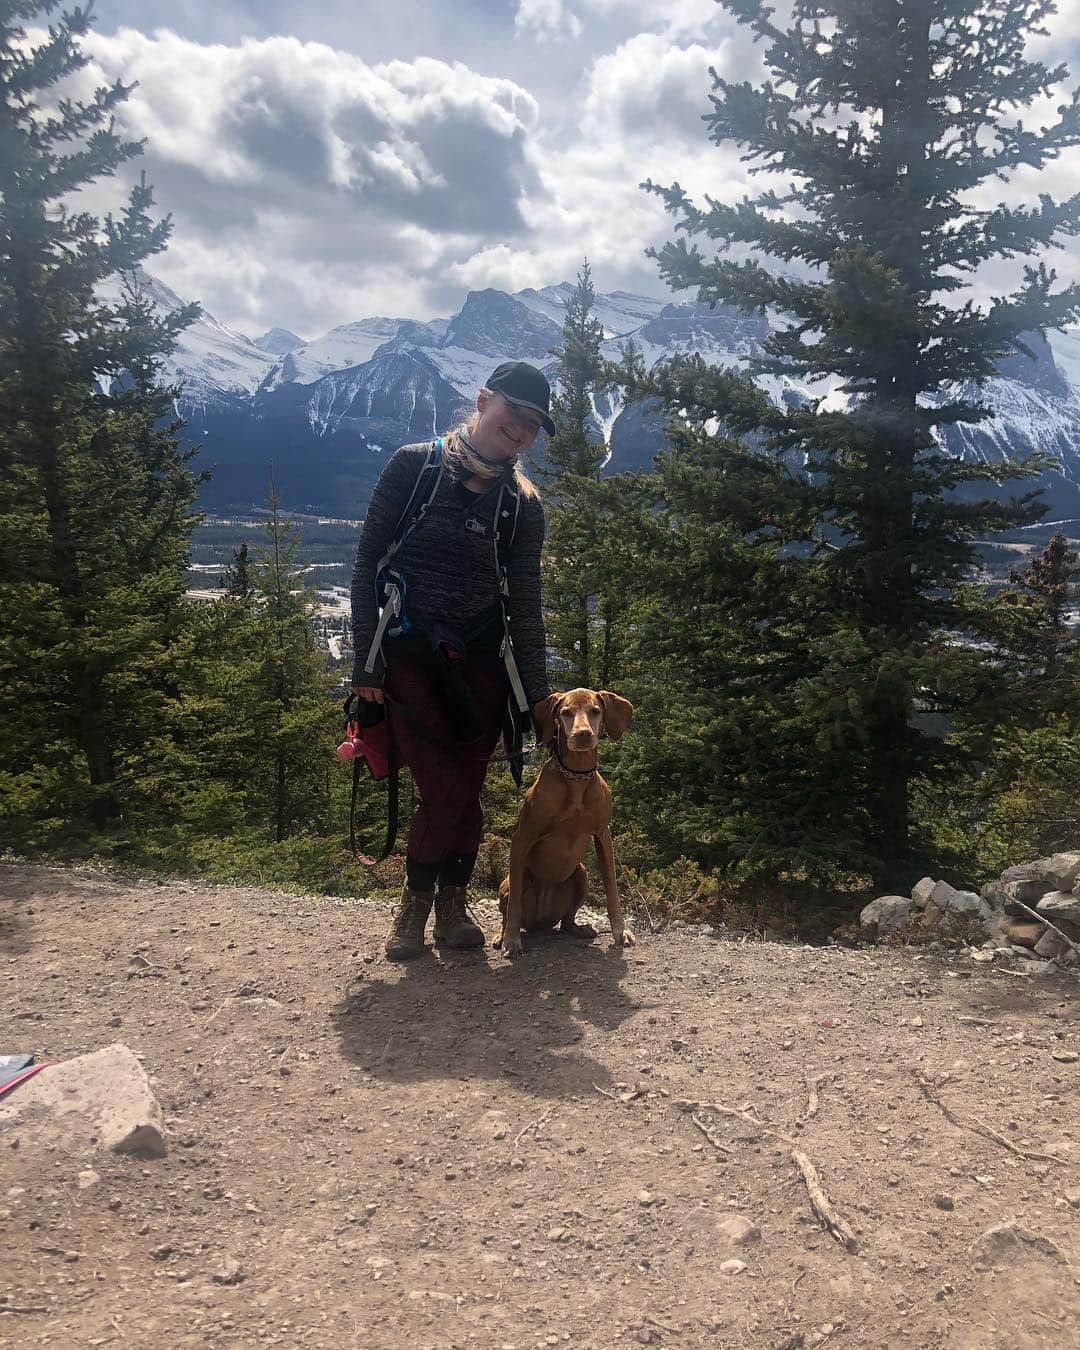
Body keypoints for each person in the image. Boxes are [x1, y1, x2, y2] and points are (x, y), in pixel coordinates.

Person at [350, 361, 554, 960]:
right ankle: (415, 911)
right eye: (514, 416)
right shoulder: (413, 467)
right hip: (410, 654)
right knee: (444, 785)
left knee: (464, 784)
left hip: (483, 664)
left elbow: (527, 604)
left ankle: (448, 910)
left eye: (533, 426)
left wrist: (539, 698)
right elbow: (367, 564)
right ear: (483, 400)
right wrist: (367, 665)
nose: (520, 432)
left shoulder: (522, 507)